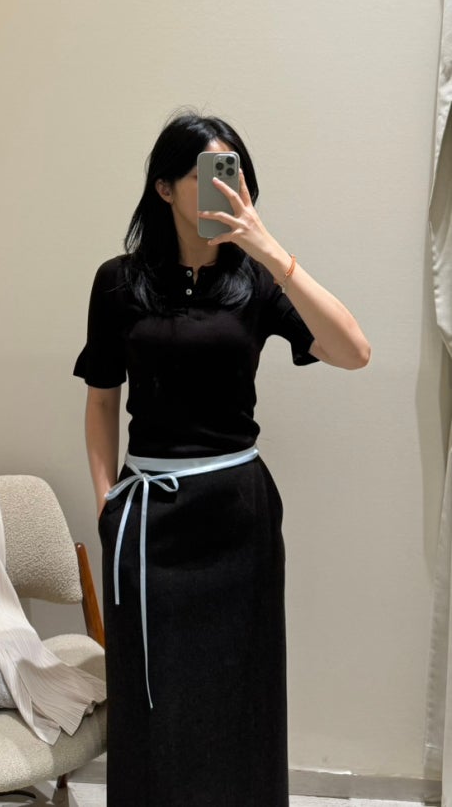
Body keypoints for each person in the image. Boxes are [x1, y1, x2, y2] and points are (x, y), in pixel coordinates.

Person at [73, 111, 370, 807]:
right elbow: (101, 400)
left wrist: (271, 252)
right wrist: (107, 503)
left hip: (238, 518)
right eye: (209, 174)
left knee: (242, 695)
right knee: (150, 700)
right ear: (165, 187)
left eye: (236, 174)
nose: (228, 189)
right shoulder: (118, 282)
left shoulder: (255, 283)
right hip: (148, 520)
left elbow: (353, 351)